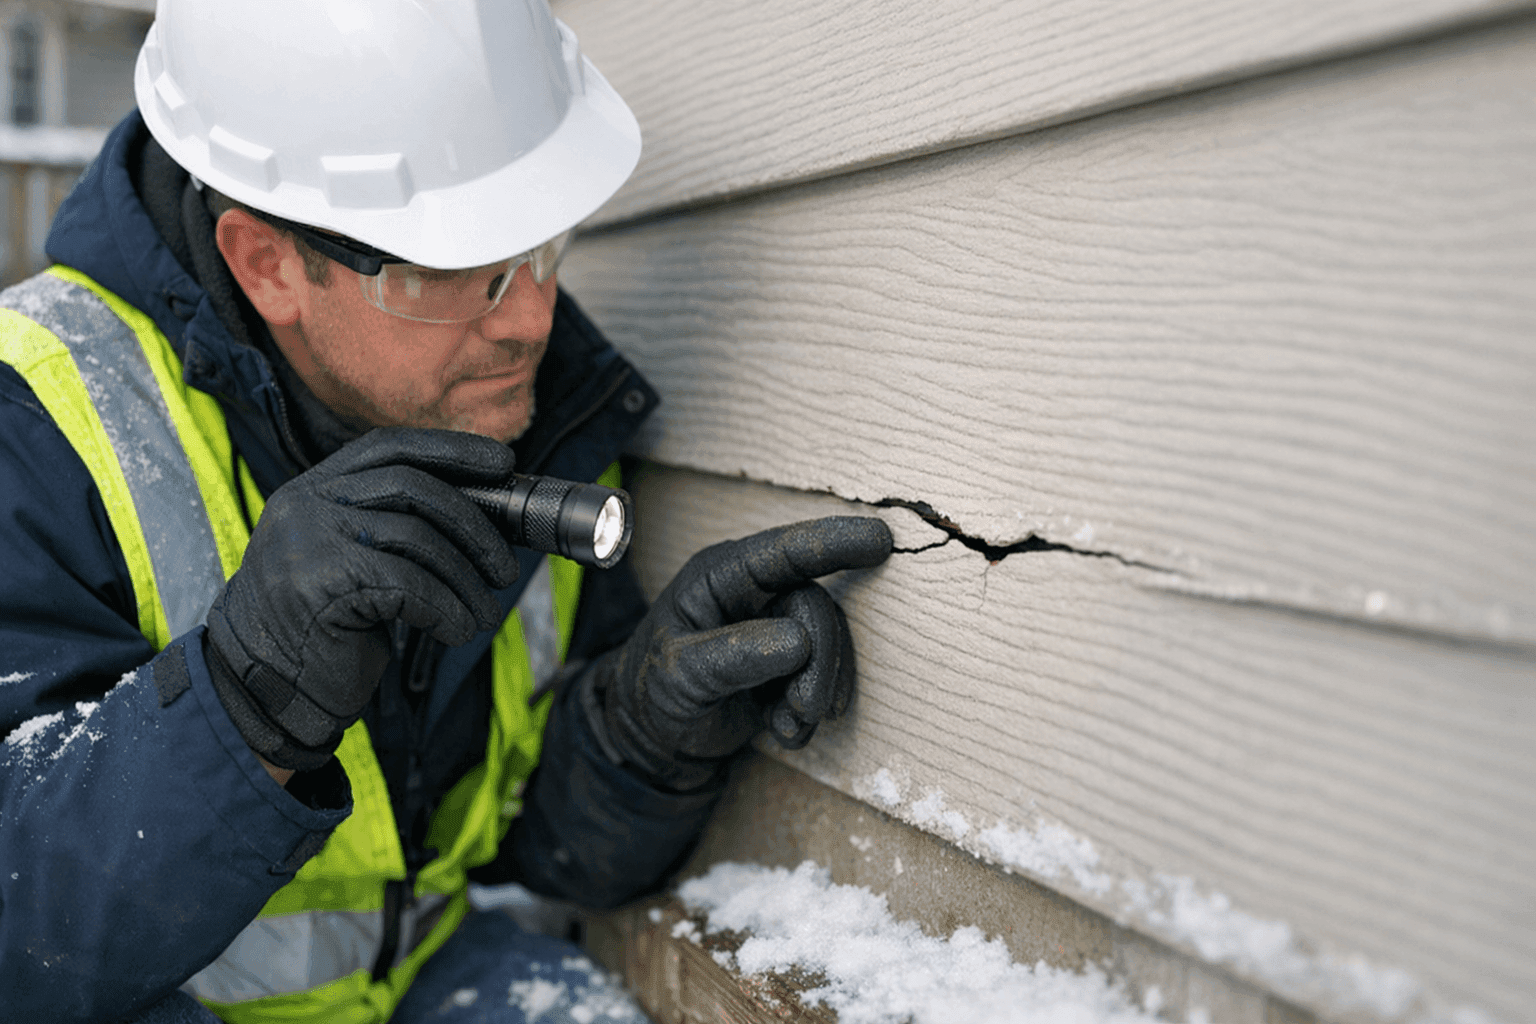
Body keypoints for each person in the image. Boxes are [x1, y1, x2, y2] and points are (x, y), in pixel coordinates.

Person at [0, 3, 892, 1022]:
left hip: (425, 982)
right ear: (268, 263)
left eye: (543, 244)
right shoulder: (34, 428)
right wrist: (242, 708)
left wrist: (639, 732)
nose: (531, 315)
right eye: (453, 267)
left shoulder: (521, 406)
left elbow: (521, 840)